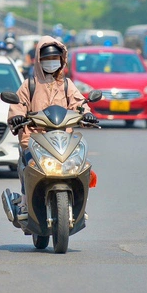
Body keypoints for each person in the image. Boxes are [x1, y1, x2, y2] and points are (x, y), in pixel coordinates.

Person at [7, 36, 97, 220]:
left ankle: (79, 202)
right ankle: (24, 202)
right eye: (47, 59)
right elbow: (18, 105)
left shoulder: (67, 85)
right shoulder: (29, 85)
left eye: (55, 58)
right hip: (34, 138)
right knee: (28, 164)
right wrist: (17, 116)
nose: (51, 62)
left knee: (81, 165)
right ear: (39, 61)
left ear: (62, 60)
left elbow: (79, 103)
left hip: (63, 138)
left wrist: (86, 114)